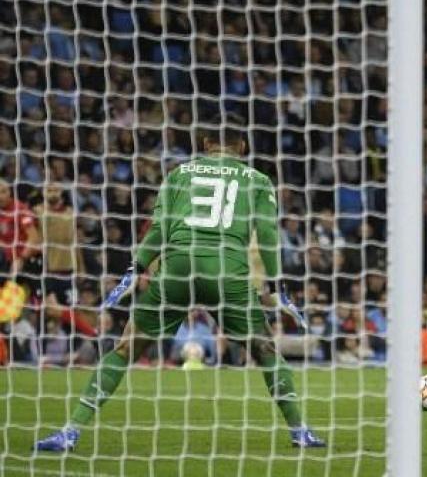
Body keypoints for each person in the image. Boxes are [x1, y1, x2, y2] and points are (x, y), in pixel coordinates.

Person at [35, 116, 325, 450]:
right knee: (265, 349)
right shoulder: (257, 180)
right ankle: (299, 430)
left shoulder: (179, 173)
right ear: (242, 147)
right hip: (225, 272)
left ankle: (70, 431)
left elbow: (157, 230)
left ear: (204, 145)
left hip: (177, 269)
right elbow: (269, 232)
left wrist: (136, 267)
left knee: (126, 348)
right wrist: (275, 283)